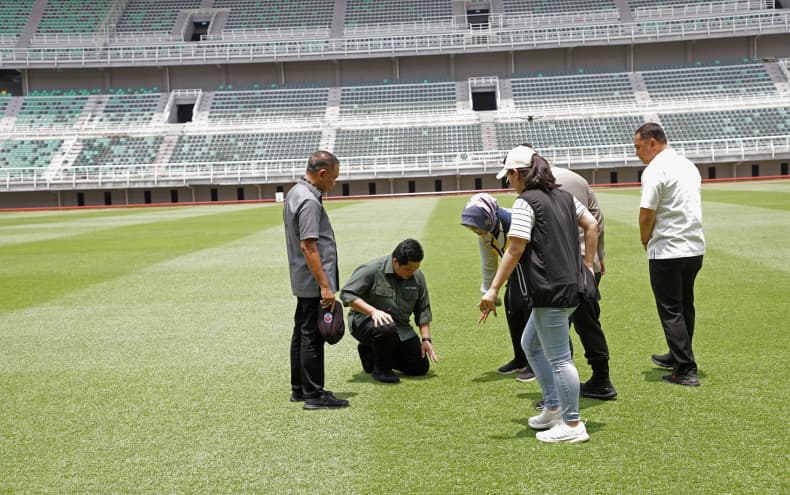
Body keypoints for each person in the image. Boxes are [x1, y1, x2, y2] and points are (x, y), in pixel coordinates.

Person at [479, 145, 599, 443]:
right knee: (530, 344)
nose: (508, 182)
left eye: (508, 176)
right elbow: (592, 224)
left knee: (559, 359)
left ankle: (572, 424)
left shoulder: (525, 203)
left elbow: (515, 247)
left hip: (550, 288)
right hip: (571, 284)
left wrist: (493, 289)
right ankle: (553, 406)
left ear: (517, 174)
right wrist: (587, 266)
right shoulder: (564, 196)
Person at [635, 123, 705, 387]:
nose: (637, 153)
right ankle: (678, 354)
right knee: (685, 305)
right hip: (693, 246)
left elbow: (647, 213)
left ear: (652, 142)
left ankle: (685, 368)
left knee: (671, 309)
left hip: (667, 249)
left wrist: (644, 238)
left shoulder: (655, 169)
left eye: (639, 147)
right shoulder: (687, 165)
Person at [283, 150, 349, 410]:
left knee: (301, 332)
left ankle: (299, 388)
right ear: (321, 174)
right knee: (313, 335)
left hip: (302, 277)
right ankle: (314, 395)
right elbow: (309, 246)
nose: (333, 183)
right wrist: (325, 285)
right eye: (333, 178)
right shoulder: (309, 200)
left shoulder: (294, 193)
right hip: (313, 280)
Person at [550, 166, 617, 400]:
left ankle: (562, 391)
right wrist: (598, 256)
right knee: (586, 322)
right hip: (586, 263)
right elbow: (597, 219)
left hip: (568, 266)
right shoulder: (574, 178)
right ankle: (600, 379)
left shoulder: (546, 186)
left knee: (558, 325)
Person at [460, 193, 537, 383]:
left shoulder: (511, 222)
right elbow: (489, 264)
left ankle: (535, 364)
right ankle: (520, 359)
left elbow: (521, 251)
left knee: (528, 309)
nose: (474, 229)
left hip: (533, 268)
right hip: (515, 269)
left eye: (476, 223)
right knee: (512, 307)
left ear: (489, 217)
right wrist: (489, 295)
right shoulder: (486, 232)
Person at [340, 239, 439, 383]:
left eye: (415, 269)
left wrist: (426, 339)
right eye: (407, 270)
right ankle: (382, 369)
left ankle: (371, 353)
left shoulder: (417, 276)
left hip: (400, 328)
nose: (411, 274)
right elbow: (347, 294)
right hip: (366, 323)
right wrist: (373, 312)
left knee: (419, 367)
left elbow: (423, 308)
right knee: (386, 328)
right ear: (395, 262)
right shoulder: (372, 269)